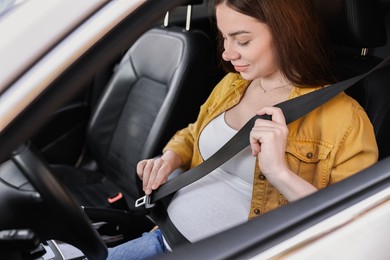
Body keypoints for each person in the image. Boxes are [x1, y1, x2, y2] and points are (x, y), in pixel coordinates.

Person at [107, 0, 378, 258]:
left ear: (286, 32)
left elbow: (355, 229)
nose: (227, 53)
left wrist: (279, 173)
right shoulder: (232, 85)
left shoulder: (345, 119)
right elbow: (192, 133)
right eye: (225, 37)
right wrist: (170, 158)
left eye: (243, 40)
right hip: (162, 237)